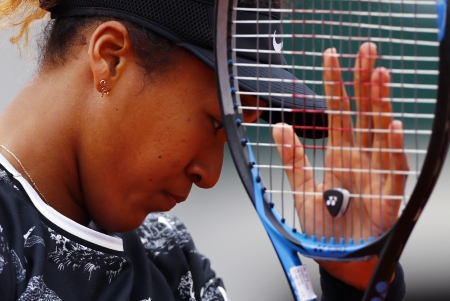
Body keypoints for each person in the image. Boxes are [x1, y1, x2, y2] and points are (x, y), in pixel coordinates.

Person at [0, 0, 407, 300]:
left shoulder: (170, 257)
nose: (210, 175)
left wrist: (358, 285)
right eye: (216, 123)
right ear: (110, 59)